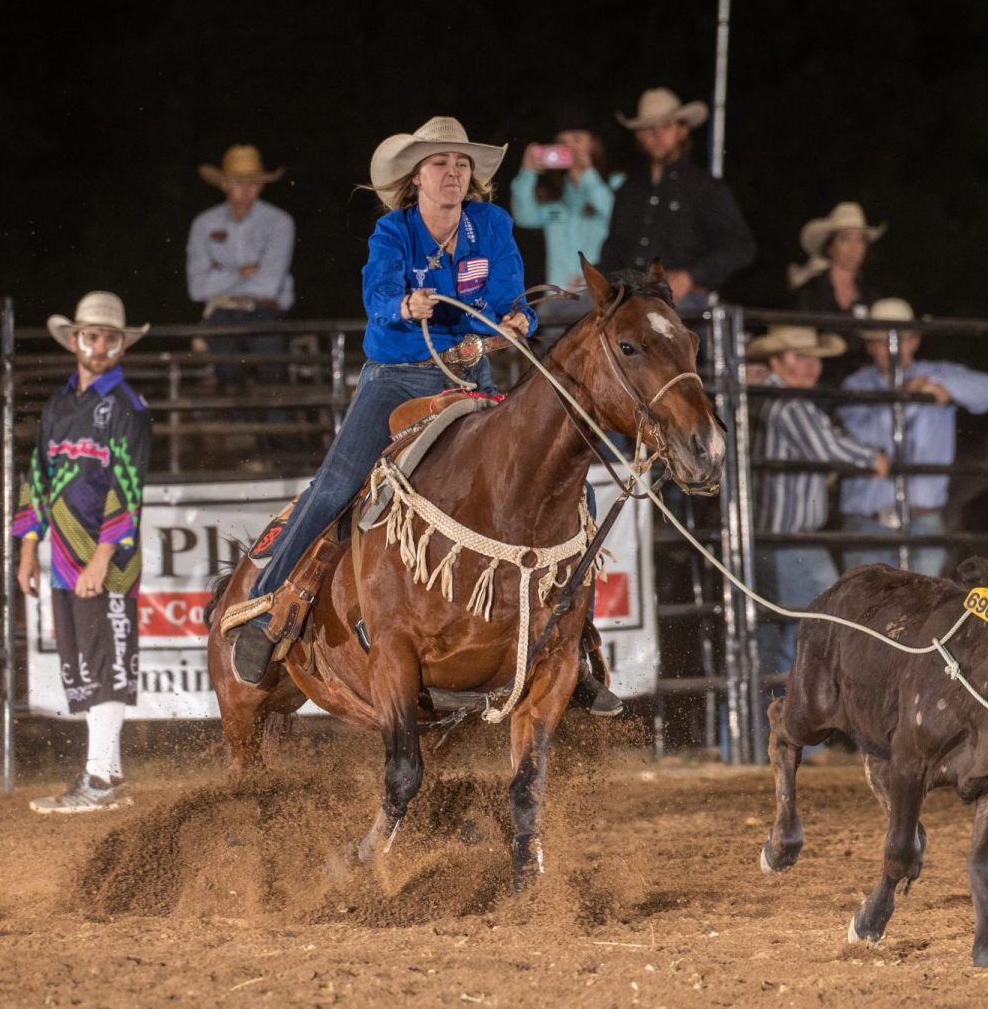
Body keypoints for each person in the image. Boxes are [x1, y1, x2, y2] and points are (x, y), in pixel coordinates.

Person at [229, 117, 535, 680]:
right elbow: (380, 293)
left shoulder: (490, 223)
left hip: (470, 373)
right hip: (397, 375)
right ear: (416, 177)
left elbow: (510, 294)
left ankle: (564, 633)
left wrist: (519, 316)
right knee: (338, 483)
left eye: (461, 164)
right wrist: (402, 306)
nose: (452, 173)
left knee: (536, 473)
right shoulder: (393, 232)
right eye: (440, 163)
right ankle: (267, 609)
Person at [14, 292, 151, 813]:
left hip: (106, 560)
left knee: (105, 660)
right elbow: (37, 478)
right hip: (62, 559)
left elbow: (128, 488)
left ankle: (100, 779)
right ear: (75, 341)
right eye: (90, 336)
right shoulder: (59, 407)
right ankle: (107, 776)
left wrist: (101, 558)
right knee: (84, 665)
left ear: (120, 346)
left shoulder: (127, 409)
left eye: (109, 338)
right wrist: (29, 548)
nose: (99, 345)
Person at [749, 325, 888, 679]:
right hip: (792, 541)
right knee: (821, 624)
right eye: (800, 357)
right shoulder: (791, 406)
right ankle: (798, 723)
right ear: (777, 362)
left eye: (814, 358)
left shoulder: (773, 401)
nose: (810, 366)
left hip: (777, 539)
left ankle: (768, 724)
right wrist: (873, 458)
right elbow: (828, 448)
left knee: (777, 633)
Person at [836, 298, 988, 575]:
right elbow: (868, 436)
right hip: (868, 523)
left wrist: (942, 386)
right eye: (881, 340)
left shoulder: (938, 374)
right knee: (865, 614)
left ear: (914, 341)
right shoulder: (855, 386)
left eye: (900, 338)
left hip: (923, 520)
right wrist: (910, 396)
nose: (891, 348)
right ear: (870, 346)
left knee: (924, 614)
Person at [599, 88, 756, 311]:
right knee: (556, 311)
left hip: (681, 302)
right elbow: (614, 247)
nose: (657, 135)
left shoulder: (705, 188)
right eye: (649, 129)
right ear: (640, 136)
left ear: (682, 131)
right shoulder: (629, 189)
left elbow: (740, 247)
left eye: (666, 126)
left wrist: (691, 276)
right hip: (626, 299)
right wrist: (599, 278)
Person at [186, 145, 296, 393]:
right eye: (238, 182)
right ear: (224, 184)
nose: (246, 189)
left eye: (253, 182)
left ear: (261, 185)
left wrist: (219, 273)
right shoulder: (204, 224)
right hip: (221, 313)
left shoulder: (279, 222)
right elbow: (196, 288)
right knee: (227, 381)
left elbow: (269, 285)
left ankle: (276, 429)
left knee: (274, 385)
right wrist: (242, 272)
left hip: (266, 312)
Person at [510, 113, 623, 292]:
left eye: (577, 140)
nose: (570, 147)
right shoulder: (554, 194)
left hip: (602, 295)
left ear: (593, 143)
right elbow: (525, 218)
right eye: (563, 143)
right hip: (558, 295)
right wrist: (527, 172)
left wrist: (587, 175)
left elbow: (618, 216)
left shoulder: (615, 183)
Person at [789, 202, 885, 315]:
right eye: (845, 239)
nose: (854, 248)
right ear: (830, 247)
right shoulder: (810, 293)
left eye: (860, 240)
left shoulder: (870, 296)